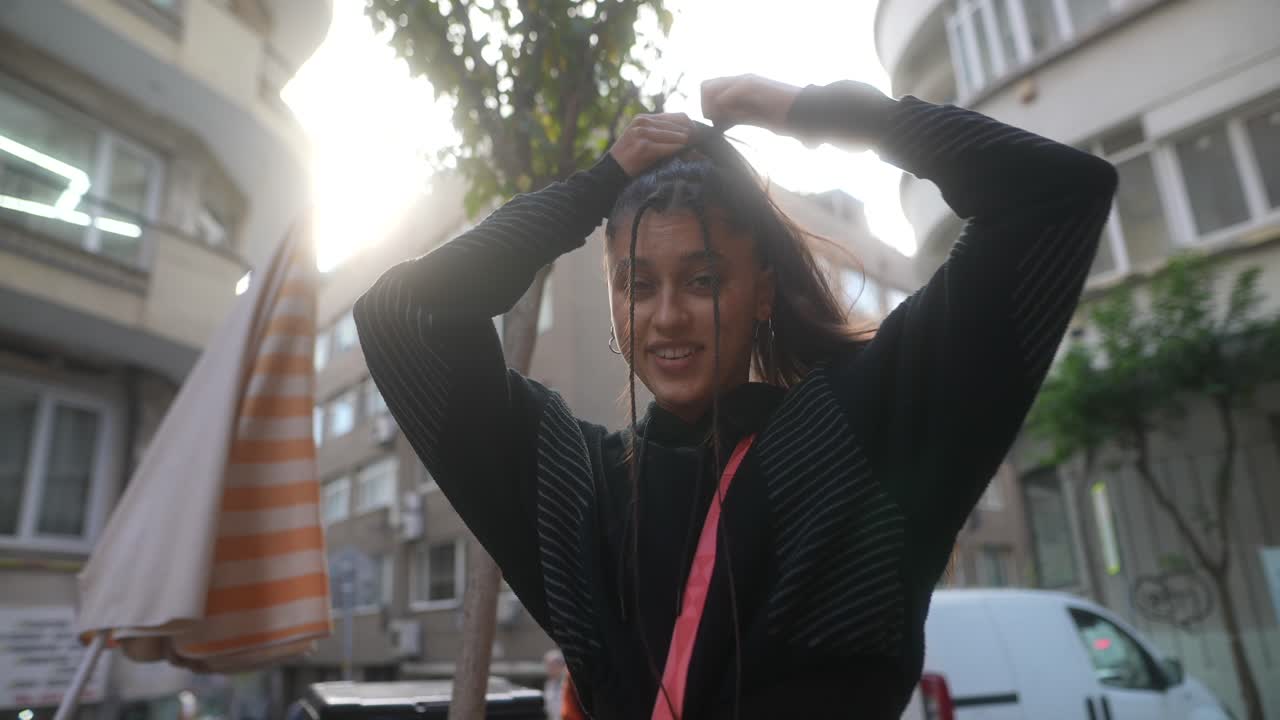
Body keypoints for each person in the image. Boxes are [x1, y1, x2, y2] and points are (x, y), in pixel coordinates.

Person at [354, 74, 1117, 719]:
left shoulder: (861, 432)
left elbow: (1055, 193)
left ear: (762, 293)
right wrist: (597, 184)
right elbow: (403, 316)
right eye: (637, 285)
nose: (668, 316)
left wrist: (801, 111)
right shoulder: (576, 489)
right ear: (616, 308)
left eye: (703, 279)